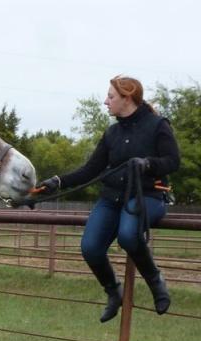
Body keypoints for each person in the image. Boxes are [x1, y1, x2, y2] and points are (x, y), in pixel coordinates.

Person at [37, 75, 180, 323]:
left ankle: (156, 281)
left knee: (127, 234)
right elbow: (90, 170)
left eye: (111, 97)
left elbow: (173, 161)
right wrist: (57, 182)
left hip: (148, 196)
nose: (106, 102)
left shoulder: (158, 126)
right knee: (90, 247)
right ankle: (114, 292)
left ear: (128, 98)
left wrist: (148, 163)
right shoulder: (112, 133)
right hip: (111, 198)